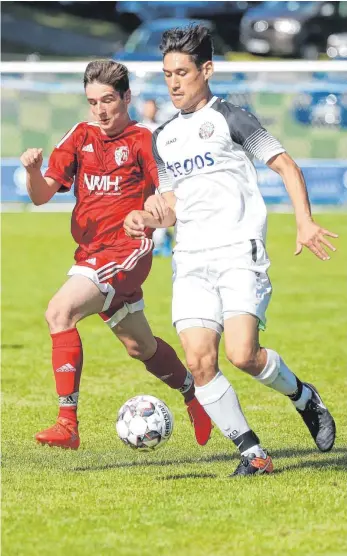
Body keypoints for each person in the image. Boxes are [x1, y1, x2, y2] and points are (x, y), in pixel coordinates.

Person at [124, 25, 338, 476]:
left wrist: (304, 220)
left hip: (239, 251)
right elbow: (172, 205)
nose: (174, 83)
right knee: (200, 362)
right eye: (167, 75)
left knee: (244, 355)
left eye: (183, 72)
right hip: (192, 259)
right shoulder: (162, 138)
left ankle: (304, 397)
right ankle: (252, 454)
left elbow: (286, 165)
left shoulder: (231, 118)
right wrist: (149, 216)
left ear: (207, 70)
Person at [19, 59, 212, 450]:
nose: (100, 110)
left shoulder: (146, 141)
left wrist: (154, 217)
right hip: (89, 254)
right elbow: (40, 196)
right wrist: (34, 171)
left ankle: (67, 423)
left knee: (60, 312)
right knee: (140, 347)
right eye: (93, 102)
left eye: (108, 100)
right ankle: (197, 397)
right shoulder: (79, 136)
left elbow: (170, 198)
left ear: (127, 97)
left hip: (127, 251)